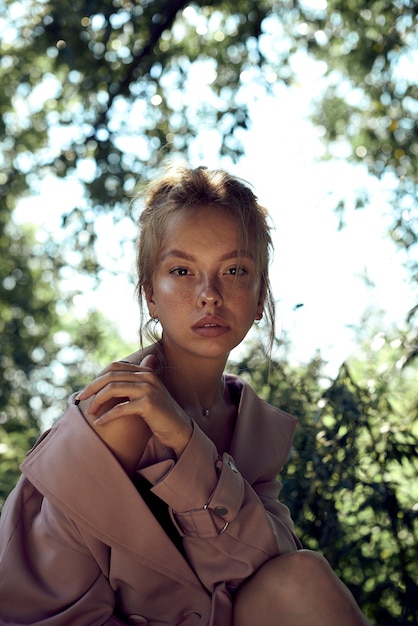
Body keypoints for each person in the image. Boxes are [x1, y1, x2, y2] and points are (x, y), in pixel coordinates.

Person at [0, 164, 371, 626]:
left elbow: (262, 565)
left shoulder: (252, 427)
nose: (209, 294)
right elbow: (44, 606)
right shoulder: (120, 414)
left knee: (302, 576)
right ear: (150, 295)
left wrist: (185, 440)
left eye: (234, 270)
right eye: (182, 270)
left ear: (259, 299)